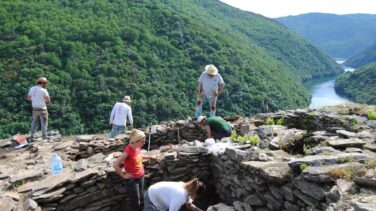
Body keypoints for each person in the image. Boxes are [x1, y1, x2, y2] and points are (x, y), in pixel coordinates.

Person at [113, 129, 157, 211]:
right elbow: (116, 164)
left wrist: (150, 157)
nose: (144, 143)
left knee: (141, 196)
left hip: (141, 176)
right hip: (132, 180)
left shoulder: (137, 147)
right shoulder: (127, 151)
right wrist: (123, 175)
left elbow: (139, 156)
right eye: (142, 142)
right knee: (135, 201)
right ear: (136, 141)